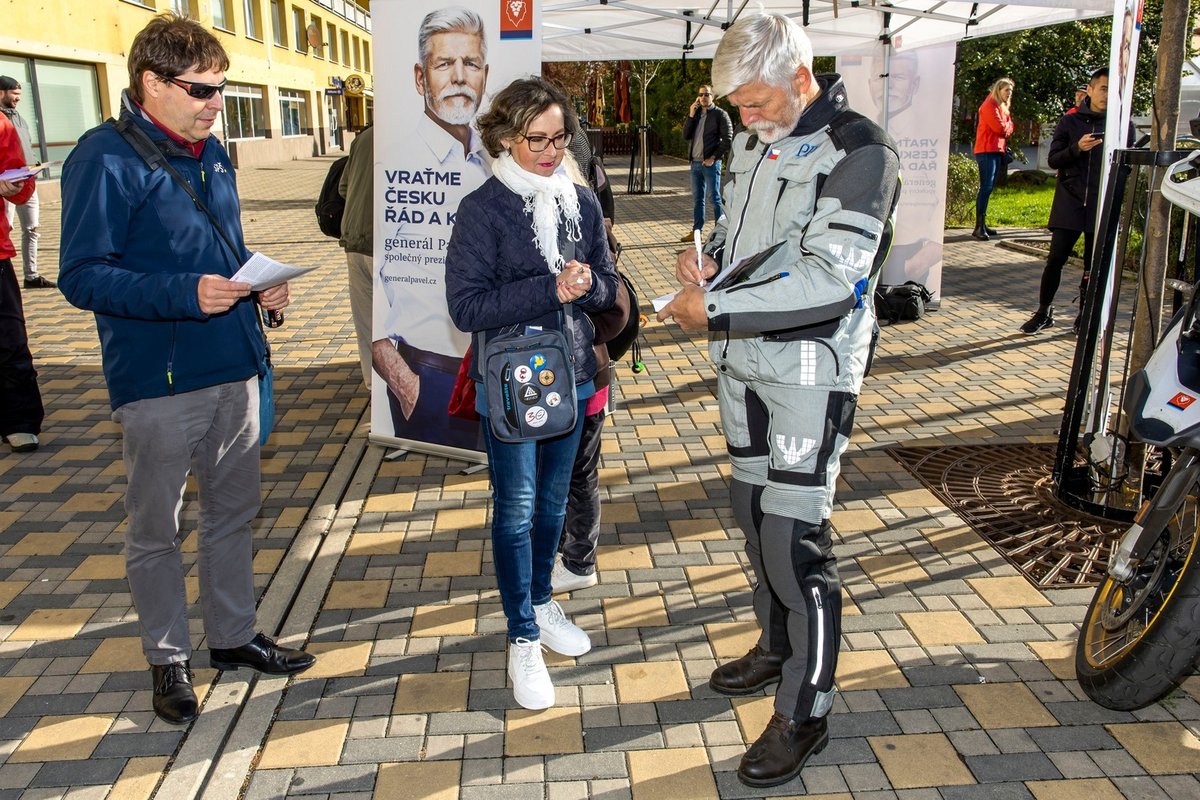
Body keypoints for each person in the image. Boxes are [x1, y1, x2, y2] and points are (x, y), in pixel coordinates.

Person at [657, 12, 899, 788]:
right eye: (739, 108)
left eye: (756, 103)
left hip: (807, 372)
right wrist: (705, 258)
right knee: (753, 519)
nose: (746, 120)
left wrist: (715, 310)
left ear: (801, 78)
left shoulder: (862, 151)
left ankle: (807, 710)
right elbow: (746, 234)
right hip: (743, 366)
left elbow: (832, 280)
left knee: (796, 547)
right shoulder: (760, 137)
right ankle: (775, 648)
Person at [57, 14, 315, 727]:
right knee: (157, 528)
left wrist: (262, 284)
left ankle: (232, 637)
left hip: (233, 368)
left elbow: (219, 244)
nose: (214, 104)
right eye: (201, 89)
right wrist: (182, 293)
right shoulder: (103, 157)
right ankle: (167, 658)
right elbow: (80, 276)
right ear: (152, 82)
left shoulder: (214, 152)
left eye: (220, 90)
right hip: (160, 385)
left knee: (233, 514)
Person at [445, 77, 617, 710]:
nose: (551, 150)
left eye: (560, 137)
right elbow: (466, 308)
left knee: (551, 508)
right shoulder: (484, 208)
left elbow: (608, 283)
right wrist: (551, 288)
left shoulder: (581, 200)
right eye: (536, 140)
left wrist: (588, 284)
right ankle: (521, 638)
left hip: (569, 376)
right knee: (515, 512)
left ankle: (542, 602)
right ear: (504, 137)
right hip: (511, 385)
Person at [372, 6, 490, 451]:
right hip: (430, 377)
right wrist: (402, 379)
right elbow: (369, 273)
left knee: (495, 494)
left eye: (470, 64)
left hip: (494, 367)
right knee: (432, 504)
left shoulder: (497, 163)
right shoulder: (391, 164)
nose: (459, 77)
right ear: (421, 78)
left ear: (484, 74)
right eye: (444, 64)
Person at [1020, 68, 1110, 335]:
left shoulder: (1119, 124)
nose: (1106, 94)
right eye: (1103, 88)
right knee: (1055, 259)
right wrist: (1077, 148)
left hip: (1099, 203)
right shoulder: (1069, 122)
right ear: (1090, 91)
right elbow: (1053, 159)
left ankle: (1086, 314)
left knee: (1093, 265)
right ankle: (1044, 311)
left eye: (1111, 89)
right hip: (1069, 202)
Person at [0, 109, 42, 454]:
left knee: (9, 338)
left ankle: (20, 421)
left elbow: (20, 189)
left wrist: (16, 183)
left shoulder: (1, 124)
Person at [0, 77, 51, 290]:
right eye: (14, 94)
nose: (18, 99)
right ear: (1, 92)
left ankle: (31, 275)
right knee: (8, 227)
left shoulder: (19, 117)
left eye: (20, 95)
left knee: (32, 228)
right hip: (6, 185)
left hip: (27, 180)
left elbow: (24, 145)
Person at [338, 124, 374, 389]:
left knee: (366, 323)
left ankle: (373, 387)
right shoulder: (411, 136)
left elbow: (343, 188)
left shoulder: (363, 138)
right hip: (390, 246)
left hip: (355, 238)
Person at [680, 84, 732, 241]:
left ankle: (720, 233)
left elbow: (728, 139)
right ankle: (697, 231)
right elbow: (685, 135)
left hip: (710, 164)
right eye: (701, 95)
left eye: (706, 95)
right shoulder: (695, 115)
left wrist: (713, 158)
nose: (703, 97)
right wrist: (690, 114)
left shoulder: (720, 115)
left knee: (715, 199)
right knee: (697, 200)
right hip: (695, 164)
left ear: (713, 97)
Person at [972, 77, 1015, 241]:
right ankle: (978, 227)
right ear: (998, 90)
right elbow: (1001, 128)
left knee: (988, 189)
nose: (1009, 94)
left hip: (995, 150)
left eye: (1011, 92)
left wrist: (1008, 127)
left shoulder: (1001, 106)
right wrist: (1008, 127)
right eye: (1006, 91)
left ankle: (982, 224)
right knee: (986, 187)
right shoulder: (989, 105)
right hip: (986, 150)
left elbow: (1010, 127)